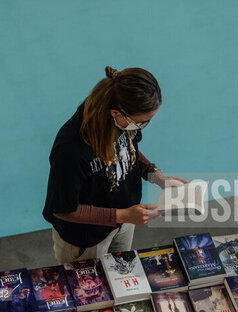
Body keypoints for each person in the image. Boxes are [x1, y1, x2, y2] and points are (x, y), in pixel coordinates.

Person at [42, 66, 188, 264]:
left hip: (125, 220)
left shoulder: (121, 119)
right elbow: (62, 208)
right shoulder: (71, 149)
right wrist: (123, 214)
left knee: (121, 273)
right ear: (116, 113)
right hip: (85, 238)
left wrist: (156, 176)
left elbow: (127, 148)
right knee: (92, 290)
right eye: (142, 122)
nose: (142, 126)